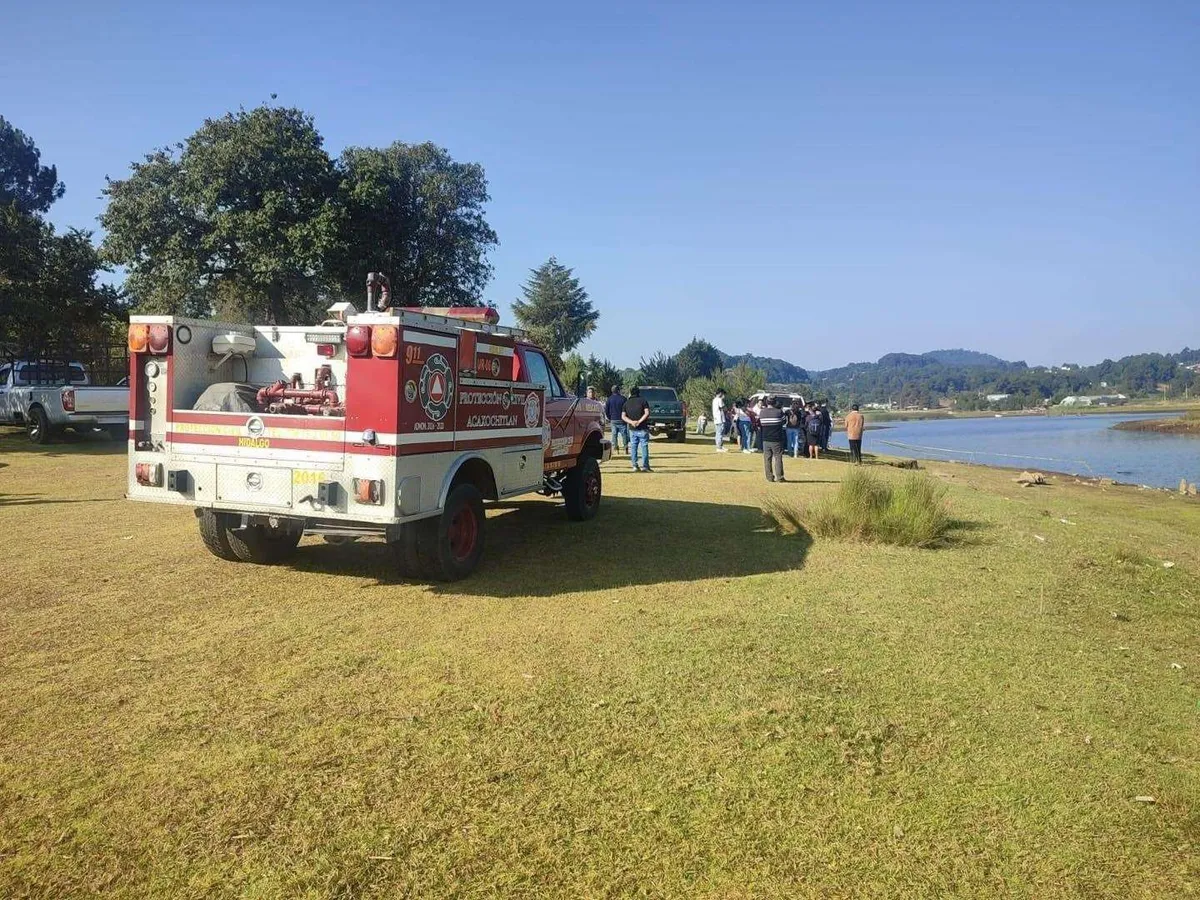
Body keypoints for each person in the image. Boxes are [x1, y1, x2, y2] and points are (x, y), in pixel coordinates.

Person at [622, 387, 652, 472]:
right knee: (644, 446)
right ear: (639, 393)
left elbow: (623, 416)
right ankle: (645, 466)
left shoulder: (626, 403)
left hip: (632, 429)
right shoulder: (643, 401)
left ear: (631, 393)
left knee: (634, 447)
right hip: (642, 428)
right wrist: (639, 421)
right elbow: (647, 413)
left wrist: (631, 422)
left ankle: (635, 465)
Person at [759, 396, 786, 482]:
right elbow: (784, 422)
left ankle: (769, 477)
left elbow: (761, 423)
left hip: (765, 439)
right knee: (778, 458)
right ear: (775, 403)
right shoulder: (779, 412)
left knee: (767, 458)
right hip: (777, 439)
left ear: (767, 402)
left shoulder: (762, 412)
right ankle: (780, 477)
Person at [605, 385, 628, 456]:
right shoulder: (623, 399)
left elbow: (606, 410)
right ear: (618, 390)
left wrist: (609, 417)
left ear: (612, 391)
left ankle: (616, 448)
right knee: (624, 434)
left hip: (613, 419)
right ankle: (625, 448)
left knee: (614, 435)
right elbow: (627, 409)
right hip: (622, 419)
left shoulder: (609, 399)